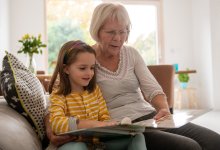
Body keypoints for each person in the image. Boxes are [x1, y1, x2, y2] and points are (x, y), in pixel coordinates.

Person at [45, 2, 220, 150]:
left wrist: (164, 109)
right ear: (97, 31)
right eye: (111, 32)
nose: (119, 38)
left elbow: (153, 89)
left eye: (124, 31)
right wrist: (49, 128)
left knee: (214, 141)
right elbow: (56, 96)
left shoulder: (132, 54)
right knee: (189, 146)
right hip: (123, 127)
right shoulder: (85, 60)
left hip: (150, 117)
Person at [47, 40, 147, 150]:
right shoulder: (59, 95)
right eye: (82, 68)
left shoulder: (95, 91)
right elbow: (56, 123)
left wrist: (112, 126)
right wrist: (90, 124)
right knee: (79, 147)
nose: (89, 73)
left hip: (97, 144)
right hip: (72, 145)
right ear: (66, 69)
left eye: (92, 68)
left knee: (137, 137)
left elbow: (104, 117)